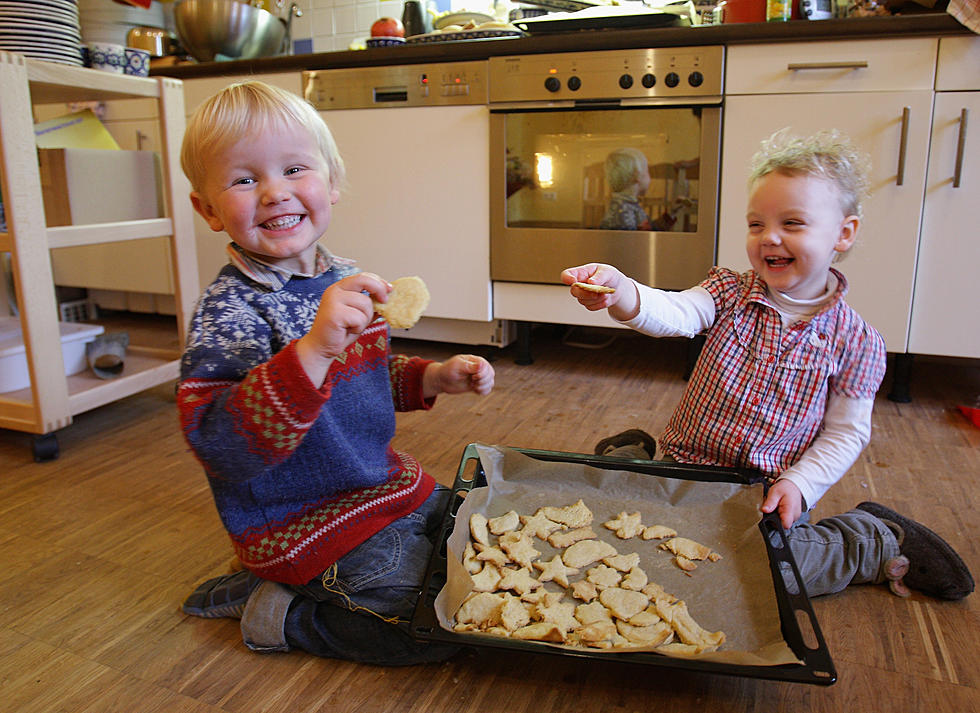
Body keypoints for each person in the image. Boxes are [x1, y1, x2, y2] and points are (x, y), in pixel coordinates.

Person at [563, 129, 973, 601]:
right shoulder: (728, 292)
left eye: (793, 223)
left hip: (765, 490)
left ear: (844, 232)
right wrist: (623, 292)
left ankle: (870, 539)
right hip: (687, 466)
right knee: (624, 540)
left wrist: (800, 482)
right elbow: (674, 313)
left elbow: (846, 432)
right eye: (756, 224)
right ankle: (638, 458)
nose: (769, 237)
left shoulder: (857, 341)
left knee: (760, 573)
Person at [175, 80, 495, 664]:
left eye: (294, 169)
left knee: (482, 540)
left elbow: (368, 377)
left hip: (384, 485)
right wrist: (313, 351)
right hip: (300, 523)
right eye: (245, 180)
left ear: (333, 182)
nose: (274, 193)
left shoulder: (344, 277)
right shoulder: (230, 313)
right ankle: (282, 612)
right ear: (209, 209)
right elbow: (222, 446)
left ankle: (297, 587)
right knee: (433, 624)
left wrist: (431, 377)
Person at [599, 148, 679, 231]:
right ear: (637, 176)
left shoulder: (627, 206)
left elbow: (650, 229)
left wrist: (671, 213)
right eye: (647, 171)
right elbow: (631, 240)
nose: (650, 177)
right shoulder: (624, 212)